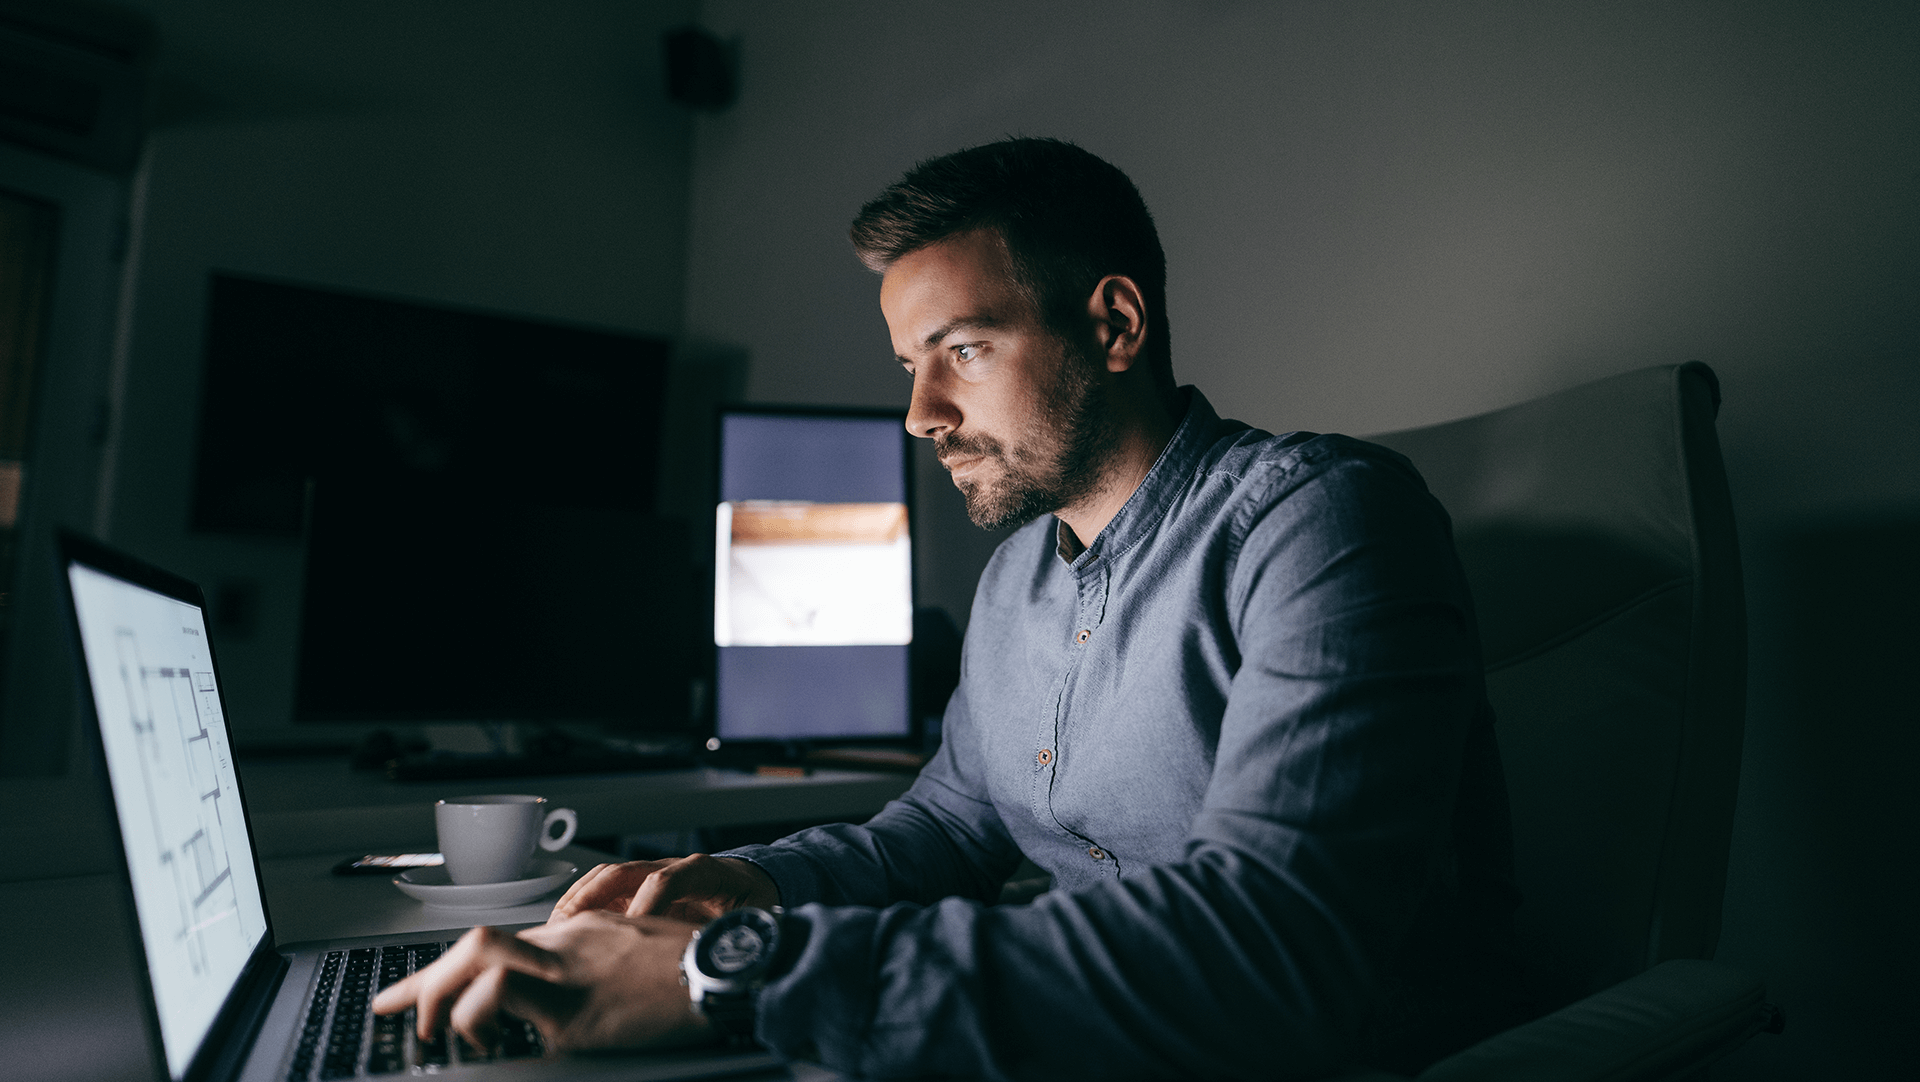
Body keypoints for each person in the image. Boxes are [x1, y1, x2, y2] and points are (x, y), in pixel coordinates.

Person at [373, 138, 1530, 1078]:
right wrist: (756, 884)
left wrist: (738, 968)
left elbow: (1273, 956)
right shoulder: (1019, 577)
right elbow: (948, 826)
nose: (921, 413)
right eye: (906, 366)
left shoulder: (1322, 522)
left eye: (962, 349)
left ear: (1115, 325)